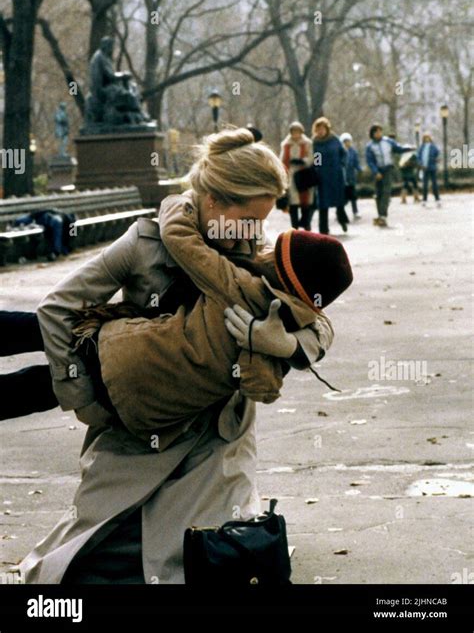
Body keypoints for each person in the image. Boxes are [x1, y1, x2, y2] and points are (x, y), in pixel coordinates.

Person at [16, 128, 332, 585]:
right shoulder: (145, 242)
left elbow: (318, 317)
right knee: (80, 565)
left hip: (218, 441)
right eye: (248, 219)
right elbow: (57, 308)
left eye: (262, 221)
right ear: (212, 203)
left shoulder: (254, 248)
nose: (255, 233)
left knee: (211, 560)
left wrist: (286, 344)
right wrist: (82, 396)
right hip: (143, 427)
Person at [69, 195, 351, 443]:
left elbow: (180, 238)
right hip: (153, 409)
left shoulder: (237, 284)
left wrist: (182, 200)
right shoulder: (291, 314)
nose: (261, 246)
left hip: (119, 356)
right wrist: (274, 350)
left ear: (279, 269)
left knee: (40, 348)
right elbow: (262, 386)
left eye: (272, 251)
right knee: (41, 382)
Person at [365, 125, 414, 227]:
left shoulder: (388, 141)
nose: (378, 134)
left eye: (380, 131)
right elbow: (370, 161)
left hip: (388, 169)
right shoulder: (370, 146)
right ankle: (380, 215)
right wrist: (375, 172)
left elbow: (398, 148)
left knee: (386, 192)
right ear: (372, 134)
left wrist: (409, 148)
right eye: (376, 132)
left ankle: (383, 215)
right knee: (379, 193)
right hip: (378, 170)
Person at [312, 117, 349, 235]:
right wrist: (317, 169)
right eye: (318, 129)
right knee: (323, 203)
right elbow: (316, 158)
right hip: (323, 176)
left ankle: (342, 221)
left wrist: (342, 164)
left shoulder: (335, 140)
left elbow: (343, 153)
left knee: (339, 200)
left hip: (336, 174)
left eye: (322, 129)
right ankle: (323, 229)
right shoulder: (315, 143)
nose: (320, 131)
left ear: (327, 129)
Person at [280, 121, 314, 230]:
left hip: (304, 175)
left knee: (306, 201)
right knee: (293, 202)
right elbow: (281, 159)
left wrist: (303, 161)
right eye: (294, 132)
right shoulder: (285, 144)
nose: (296, 134)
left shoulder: (308, 143)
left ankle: (306, 224)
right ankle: (294, 227)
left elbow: (314, 157)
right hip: (291, 175)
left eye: (298, 131)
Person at [340, 133, 361, 219]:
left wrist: (359, 169)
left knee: (353, 196)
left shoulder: (353, 151)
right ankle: (340, 212)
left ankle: (355, 212)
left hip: (351, 177)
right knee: (343, 197)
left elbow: (356, 163)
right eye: (345, 141)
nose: (347, 143)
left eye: (348, 141)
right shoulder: (340, 151)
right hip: (342, 177)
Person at [417, 132, 441, 207]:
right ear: (423, 139)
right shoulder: (422, 147)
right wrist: (421, 164)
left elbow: (438, 154)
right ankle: (424, 200)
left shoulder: (433, 146)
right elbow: (419, 157)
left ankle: (437, 199)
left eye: (428, 137)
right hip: (425, 167)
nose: (427, 139)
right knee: (425, 185)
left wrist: (436, 159)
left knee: (434, 184)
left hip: (432, 167)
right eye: (425, 137)